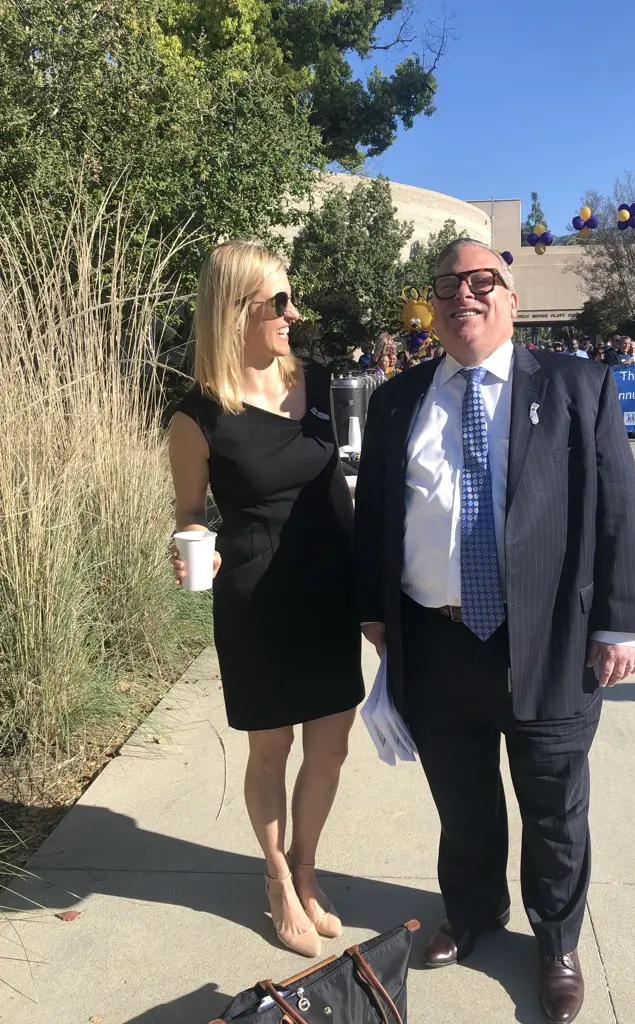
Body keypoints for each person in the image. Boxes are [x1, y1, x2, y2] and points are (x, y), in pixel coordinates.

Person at [355, 239, 635, 1024]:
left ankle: (556, 941)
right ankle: (476, 911)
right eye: (449, 284)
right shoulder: (397, 400)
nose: (465, 295)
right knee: (463, 802)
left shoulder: (578, 386)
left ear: (512, 299)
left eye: (483, 280)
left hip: (550, 641)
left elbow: (618, 506)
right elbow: (379, 518)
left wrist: (622, 622)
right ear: (434, 306)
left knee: (554, 807)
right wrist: (377, 618)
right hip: (436, 642)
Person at [169, 241, 364, 959]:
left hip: (329, 589)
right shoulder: (197, 417)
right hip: (258, 597)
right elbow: (190, 511)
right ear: (235, 311)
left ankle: (308, 867)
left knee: (332, 747)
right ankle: (278, 879)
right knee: (271, 748)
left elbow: (341, 481)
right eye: (278, 303)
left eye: (291, 298)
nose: (294, 313)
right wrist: (192, 540)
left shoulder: (315, 382)